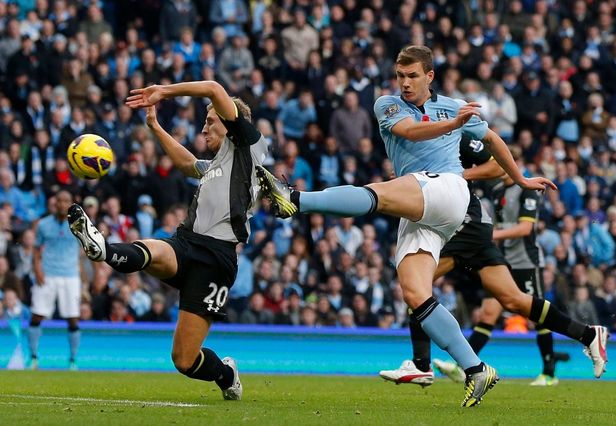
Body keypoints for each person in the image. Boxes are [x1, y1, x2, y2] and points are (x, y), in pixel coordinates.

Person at [258, 45, 555, 407]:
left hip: (447, 189)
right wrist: (456, 123)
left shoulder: (452, 105)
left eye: (412, 76)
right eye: (400, 75)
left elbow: (492, 140)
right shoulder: (388, 104)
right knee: (416, 294)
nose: (405, 82)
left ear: (429, 76)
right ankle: (475, 368)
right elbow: (412, 133)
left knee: (377, 194)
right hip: (421, 207)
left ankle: (296, 199)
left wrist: (521, 179)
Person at [68, 80, 268, 401]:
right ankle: (102, 249)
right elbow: (186, 164)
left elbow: (215, 88)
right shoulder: (216, 165)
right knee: (153, 250)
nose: (204, 128)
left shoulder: (245, 149)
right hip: (187, 243)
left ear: (231, 125)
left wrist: (164, 91)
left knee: (184, 360)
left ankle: (226, 373)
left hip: (216, 262)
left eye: (210, 122)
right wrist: (155, 126)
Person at [378, 142, 609, 388]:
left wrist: (455, 175)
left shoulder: (453, 131)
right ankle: (589, 334)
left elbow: (498, 167)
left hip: (476, 231)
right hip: (475, 230)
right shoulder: (431, 147)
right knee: (513, 301)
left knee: (415, 287)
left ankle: (421, 364)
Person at [29, 190, 82, 370]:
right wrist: (37, 271)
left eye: (66, 200)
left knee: (73, 319)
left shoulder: (78, 225)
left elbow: (87, 251)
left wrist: (93, 275)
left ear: (70, 203)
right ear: (54, 203)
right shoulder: (43, 225)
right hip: (48, 274)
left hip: (70, 276)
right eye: (59, 200)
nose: (62, 204)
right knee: (37, 315)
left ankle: (73, 360)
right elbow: (36, 251)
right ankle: (33, 357)